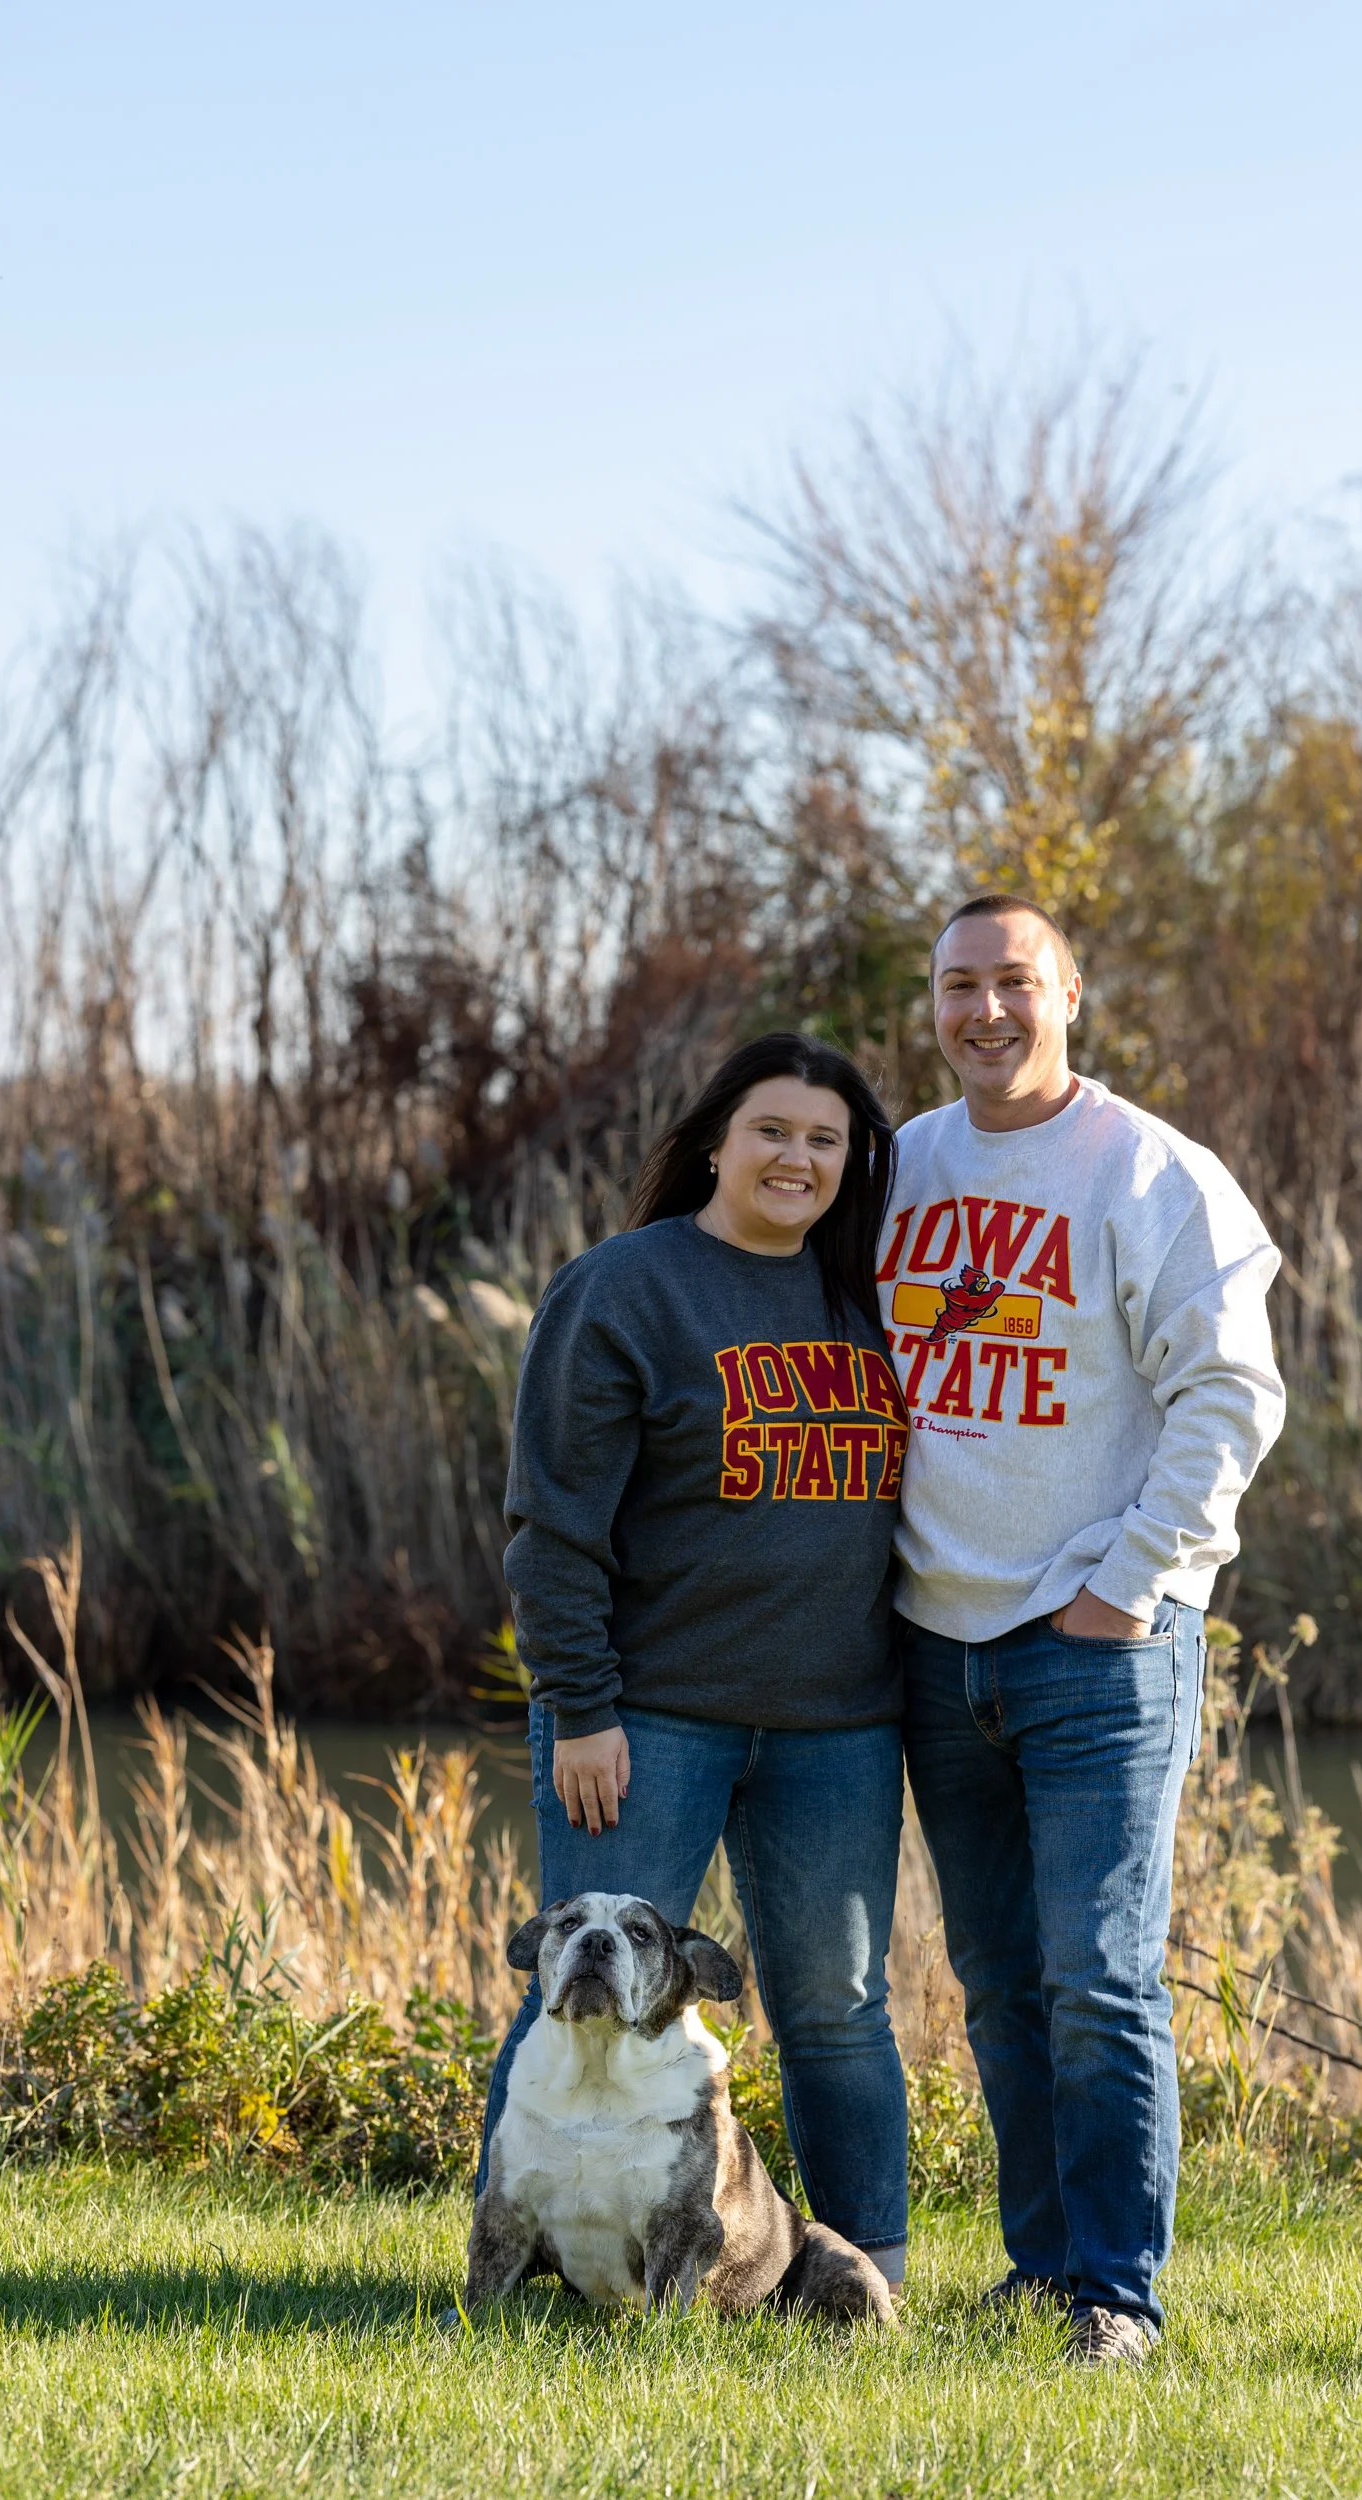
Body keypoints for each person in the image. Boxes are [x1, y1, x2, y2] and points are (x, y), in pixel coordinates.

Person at [883, 894, 1285, 2363]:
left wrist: (1130, 1579)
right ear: (930, 1005)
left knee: (1100, 1979)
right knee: (995, 1981)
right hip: (934, 1639)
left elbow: (1230, 1398)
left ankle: (1116, 2294)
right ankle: (1040, 2265)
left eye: (1013, 983)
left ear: (1069, 996)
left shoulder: (1150, 1171)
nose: (985, 1012)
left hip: (1098, 1644)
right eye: (956, 987)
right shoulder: (902, 1165)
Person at [475, 1032, 912, 2290]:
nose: (796, 1156)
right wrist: (580, 1705)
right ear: (716, 1138)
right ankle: (523, 2261)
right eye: (771, 1129)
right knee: (574, 1988)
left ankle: (854, 2273)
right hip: (648, 1721)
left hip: (836, 1725)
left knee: (837, 2011)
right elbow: (552, 1524)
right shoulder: (624, 1288)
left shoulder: (866, 1295)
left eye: (825, 1139)